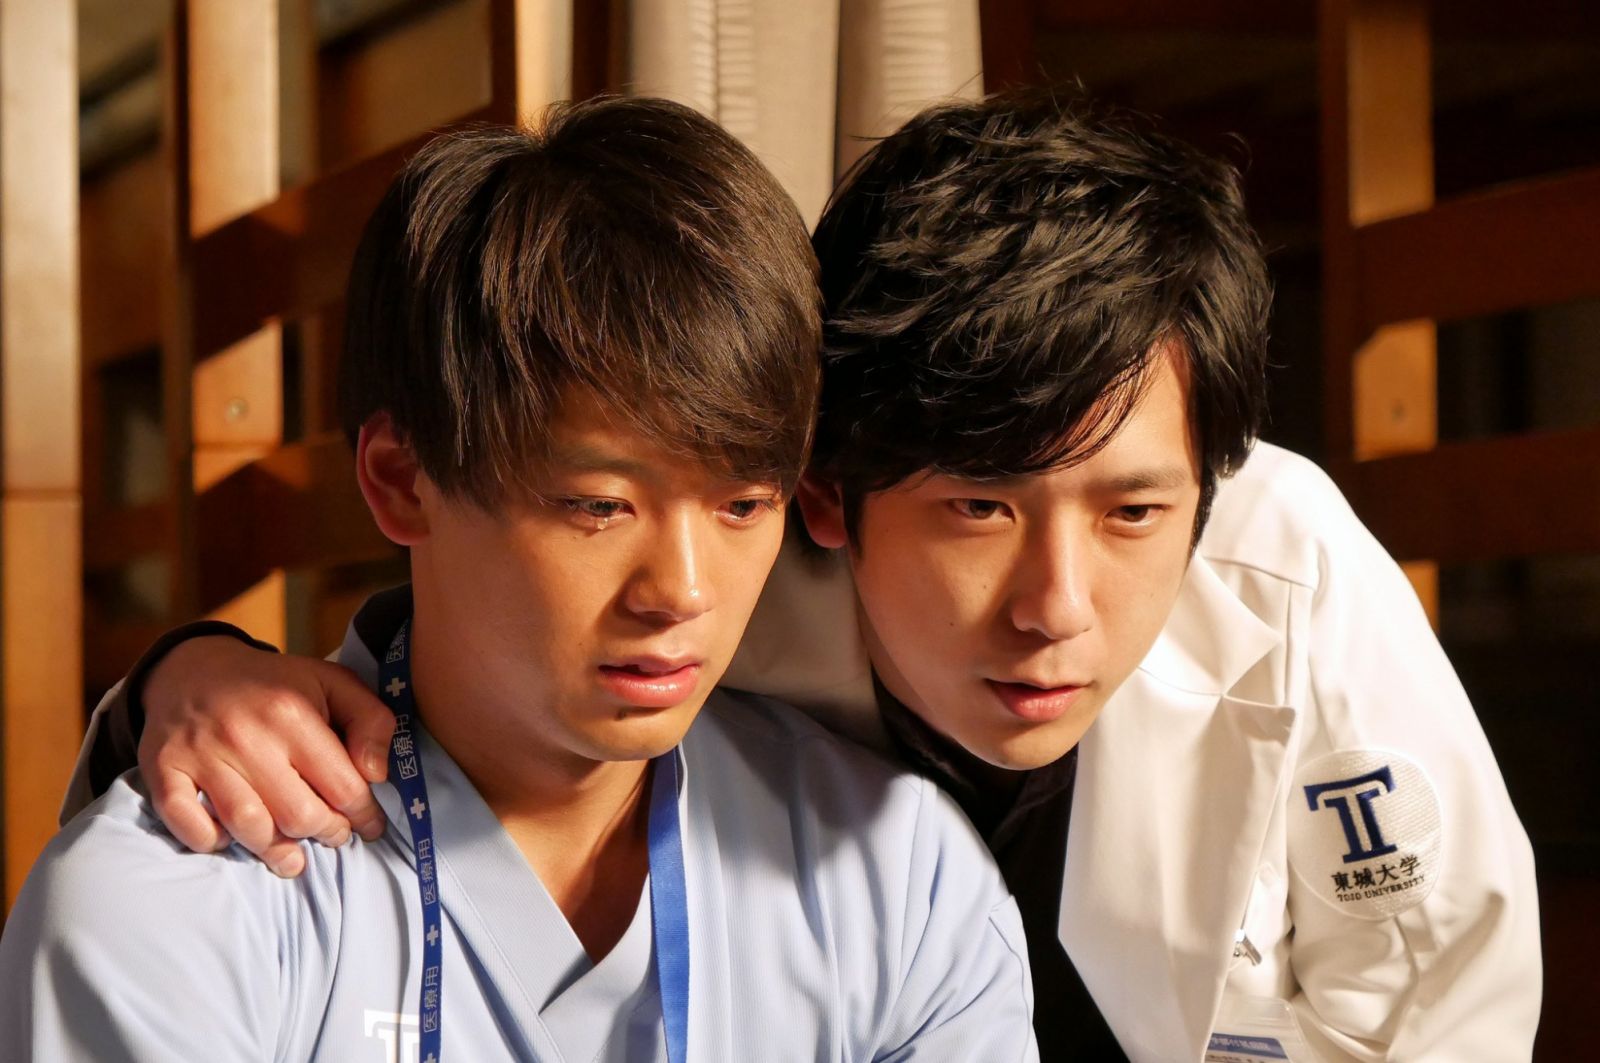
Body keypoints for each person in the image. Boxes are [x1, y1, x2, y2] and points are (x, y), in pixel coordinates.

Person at [63, 95, 1540, 1062]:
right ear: (833, 494)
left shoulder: (1282, 571)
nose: (1056, 606)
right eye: (977, 504)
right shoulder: (716, 580)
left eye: (1137, 509)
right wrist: (184, 675)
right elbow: (477, 620)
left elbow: (1447, 998)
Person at [3, 99, 1038, 1063]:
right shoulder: (172, 907)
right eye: (599, 505)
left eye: (741, 505)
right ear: (402, 480)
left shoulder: (898, 880)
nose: (683, 591)